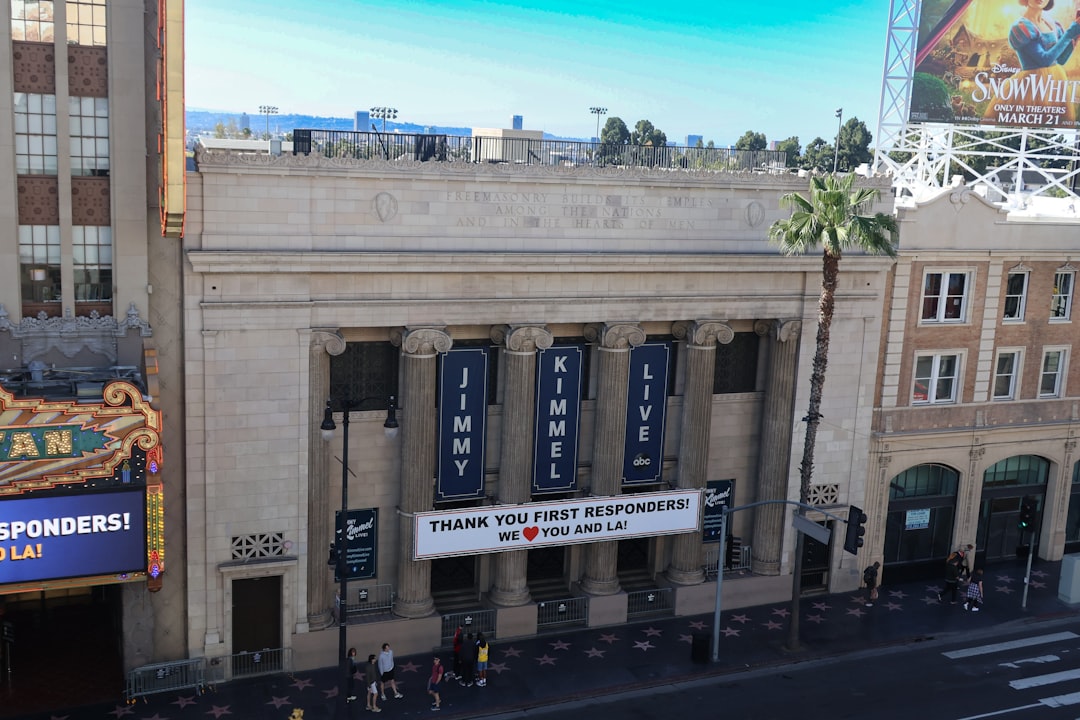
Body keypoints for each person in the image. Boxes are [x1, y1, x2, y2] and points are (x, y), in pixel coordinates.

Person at [983, 0, 1080, 124]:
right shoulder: (1020, 28)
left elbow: (1061, 60)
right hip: (1031, 84)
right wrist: (1070, 33)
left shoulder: (1053, 24)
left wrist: (1074, 38)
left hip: (1056, 81)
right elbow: (1043, 60)